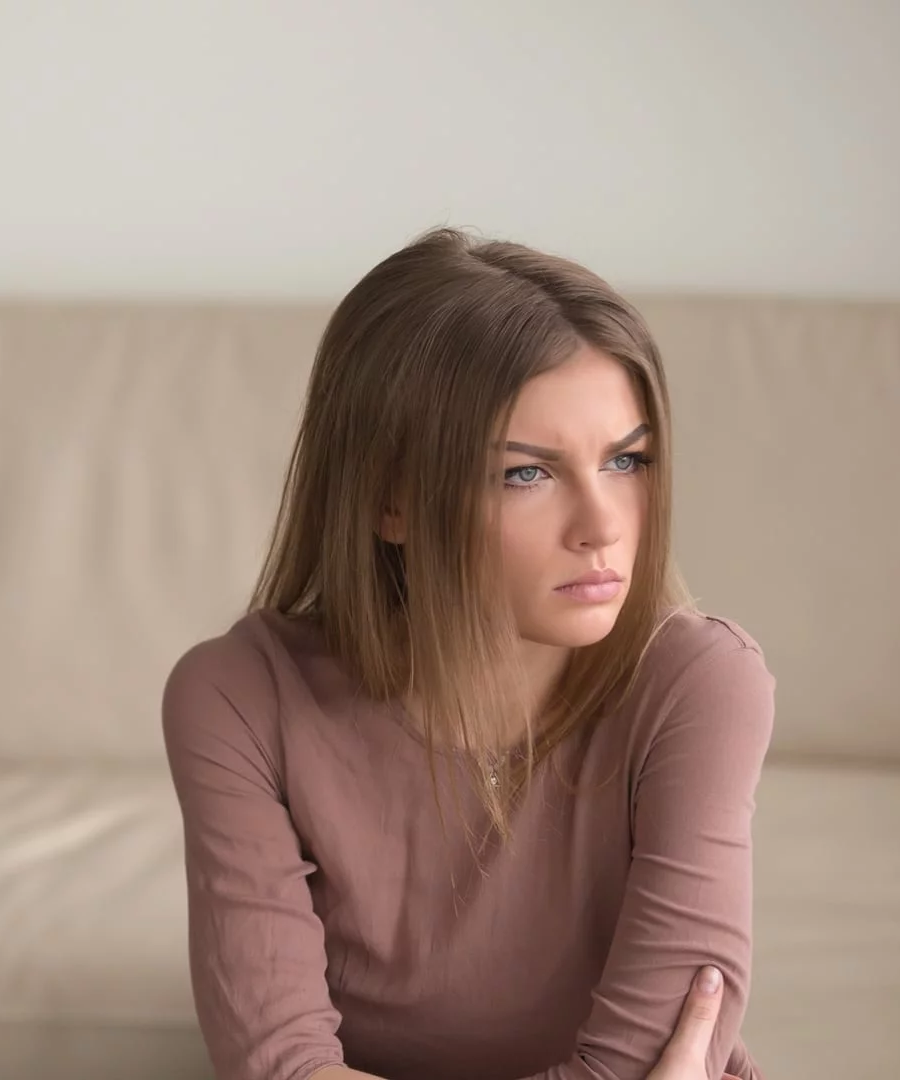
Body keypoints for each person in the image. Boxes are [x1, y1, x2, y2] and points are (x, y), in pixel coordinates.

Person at [162, 228, 772, 1080]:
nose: (604, 526)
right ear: (390, 501)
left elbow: (651, 1063)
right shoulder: (237, 700)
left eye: (626, 460)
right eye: (528, 473)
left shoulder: (702, 685)